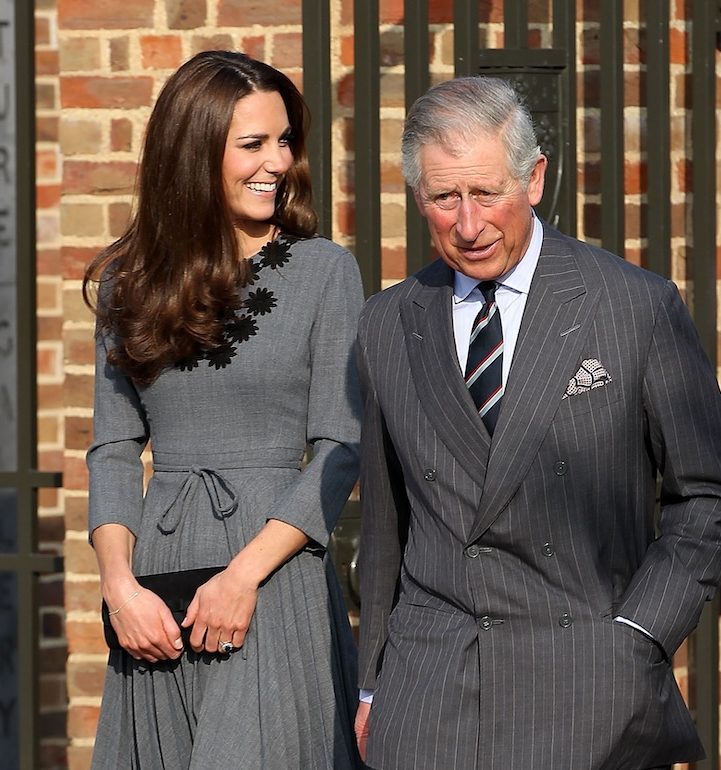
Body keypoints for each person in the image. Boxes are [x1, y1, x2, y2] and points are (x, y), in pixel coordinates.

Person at [354, 75, 721, 770]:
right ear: (418, 199)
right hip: (427, 699)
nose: (468, 225)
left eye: (486, 193)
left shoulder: (632, 307)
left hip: (589, 683)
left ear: (534, 179)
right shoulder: (385, 324)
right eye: (443, 198)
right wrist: (374, 686)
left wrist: (638, 637)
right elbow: (384, 529)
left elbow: (704, 496)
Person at [83, 50, 364, 770]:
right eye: (252, 144)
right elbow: (113, 449)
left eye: (283, 140)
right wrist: (118, 587)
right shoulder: (129, 283)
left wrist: (243, 578)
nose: (276, 162)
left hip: (273, 574)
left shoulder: (323, 271)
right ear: (194, 151)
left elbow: (341, 441)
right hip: (159, 583)